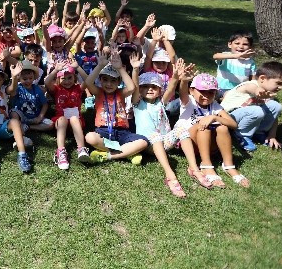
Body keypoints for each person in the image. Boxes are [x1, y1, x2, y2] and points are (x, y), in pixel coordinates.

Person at [131, 66, 212, 198]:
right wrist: (135, 69)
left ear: (159, 90)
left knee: (181, 130)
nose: (150, 89)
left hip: (164, 142)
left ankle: (194, 168)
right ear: (140, 89)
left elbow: (170, 88)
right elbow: (134, 87)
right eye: (145, 86)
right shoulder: (137, 103)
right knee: (155, 136)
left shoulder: (161, 102)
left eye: (154, 87)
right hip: (147, 145)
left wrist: (175, 76)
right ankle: (170, 174)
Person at [177, 71, 249, 188]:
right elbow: (182, 93)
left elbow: (233, 124)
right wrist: (184, 81)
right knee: (202, 126)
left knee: (223, 128)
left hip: (208, 145)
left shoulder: (215, 105)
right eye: (202, 91)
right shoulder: (189, 101)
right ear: (192, 91)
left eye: (211, 92)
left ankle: (229, 165)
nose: (206, 95)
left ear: (215, 93)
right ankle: (206, 165)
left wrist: (214, 117)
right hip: (189, 143)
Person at [81, 51, 149, 164]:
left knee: (143, 142)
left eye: (113, 81)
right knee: (90, 137)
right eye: (105, 80)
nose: (109, 84)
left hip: (123, 132)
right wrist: (100, 66)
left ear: (119, 82)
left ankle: (108, 155)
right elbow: (88, 83)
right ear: (100, 80)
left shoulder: (120, 93)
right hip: (103, 131)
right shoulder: (98, 92)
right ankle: (127, 153)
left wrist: (120, 68)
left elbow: (131, 87)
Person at [221, 61, 282, 152]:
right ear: (262, 78)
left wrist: (272, 135)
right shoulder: (251, 85)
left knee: (276, 106)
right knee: (257, 110)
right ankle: (242, 135)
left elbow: (274, 117)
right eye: (278, 83)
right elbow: (253, 89)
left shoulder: (268, 93)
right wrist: (259, 92)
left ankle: (259, 132)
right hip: (228, 117)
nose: (281, 87)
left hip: (246, 116)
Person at [44, 59, 90, 170]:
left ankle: (81, 149)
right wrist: (56, 70)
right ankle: (61, 151)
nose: (67, 81)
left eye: (70, 78)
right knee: (62, 119)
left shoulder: (78, 89)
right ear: (58, 79)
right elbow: (47, 82)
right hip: (61, 123)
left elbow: (88, 80)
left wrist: (78, 67)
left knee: (74, 118)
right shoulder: (57, 89)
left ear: (74, 77)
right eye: (63, 78)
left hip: (76, 123)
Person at [213, 30, 257, 96]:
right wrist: (236, 56)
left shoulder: (250, 62)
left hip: (239, 91)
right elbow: (215, 56)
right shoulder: (226, 56)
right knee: (228, 95)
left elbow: (252, 80)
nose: (241, 46)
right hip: (221, 88)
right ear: (230, 45)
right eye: (237, 43)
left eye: (245, 44)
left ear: (250, 47)